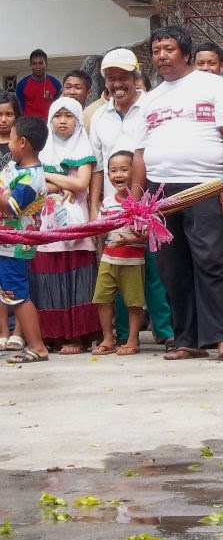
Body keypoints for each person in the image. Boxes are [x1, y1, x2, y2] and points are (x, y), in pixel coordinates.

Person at [131, 25, 223, 361]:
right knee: (172, 268)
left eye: (168, 49)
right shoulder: (149, 99)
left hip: (206, 185)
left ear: (185, 53)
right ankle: (187, 340)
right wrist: (138, 207)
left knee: (210, 261)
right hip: (161, 193)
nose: (161, 56)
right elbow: (138, 154)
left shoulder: (212, 85)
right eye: (156, 50)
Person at [88, 47, 174, 352]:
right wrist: (93, 211)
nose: (117, 83)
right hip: (113, 209)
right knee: (121, 272)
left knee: (154, 270)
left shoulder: (151, 107)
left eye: (123, 77)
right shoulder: (99, 116)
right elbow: (97, 168)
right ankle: (124, 335)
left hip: (151, 204)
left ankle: (166, 331)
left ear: (136, 78)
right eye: (111, 78)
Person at [30, 97, 100, 354]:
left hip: (75, 222)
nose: (62, 121)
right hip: (46, 223)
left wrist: (46, 175)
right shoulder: (43, 150)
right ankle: (53, 335)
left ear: (78, 120)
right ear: (50, 120)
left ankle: (76, 337)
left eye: (68, 116)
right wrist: (61, 182)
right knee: (48, 276)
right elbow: (38, 188)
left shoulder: (83, 149)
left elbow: (81, 184)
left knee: (77, 277)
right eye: (57, 116)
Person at [0, 116, 49, 363]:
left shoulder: (32, 177)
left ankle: (37, 346)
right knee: (10, 292)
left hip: (16, 246)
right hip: (5, 243)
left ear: (23, 143)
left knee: (16, 295)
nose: (7, 144)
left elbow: (12, 205)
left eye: (10, 139)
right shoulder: (16, 168)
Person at [92, 151, 146, 355]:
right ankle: (108, 338)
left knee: (134, 302)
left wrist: (129, 240)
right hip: (108, 259)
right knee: (102, 299)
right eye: (113, 171)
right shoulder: (107, 203)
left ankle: (133, 340)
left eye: (124, 169)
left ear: (136, 172)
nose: (118, 175)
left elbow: (148, 235)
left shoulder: (141, 204)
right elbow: (101, 229)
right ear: (107, 175)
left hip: (133, 262)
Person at [0, 92, 22, 351]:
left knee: (16, 274)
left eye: (9, 114)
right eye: (0, 115)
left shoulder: (21, 145)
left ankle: (19, 329)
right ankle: (3, 330)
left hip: (17, 217)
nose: (4, 119)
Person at [16, 49, 61, 120]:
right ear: (30, 65)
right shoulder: (22, 85)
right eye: (34, 63)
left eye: (40, 63)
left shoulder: (56, 84)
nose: (37, 66)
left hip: (49, 126)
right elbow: (19, 110)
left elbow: (59, 109)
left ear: (46, 64)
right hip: (28, 127)